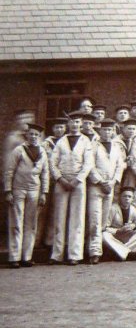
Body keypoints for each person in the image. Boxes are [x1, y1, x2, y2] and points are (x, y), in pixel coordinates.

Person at [49, 110, 94, 265]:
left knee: (77, 218)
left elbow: (88, 163)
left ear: (81, 124)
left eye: (77, 122)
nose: (74, 125)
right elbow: (53, 163)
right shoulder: (61, 141)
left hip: (78, 183)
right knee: (59, 217)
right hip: (62, 182)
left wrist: (77, 179)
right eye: (72, 122)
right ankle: (57, 254)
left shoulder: (86, 141)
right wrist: (60, 178)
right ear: (67, 124)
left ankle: (74, 255)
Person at [4, 123, 49, 267]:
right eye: (31, 134)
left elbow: (45, 174)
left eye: (37, 135)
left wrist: (44, 193)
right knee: (16, 223)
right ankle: (14, 257)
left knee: (31, 224)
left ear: (39, 137)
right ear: (26, 135)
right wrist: (8, 191)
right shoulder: (19, 150)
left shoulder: (42, 151)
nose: (34, 137)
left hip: (34, 191)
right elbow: (9, 171)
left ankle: (26, 257)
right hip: (18, 189)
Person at [85, 119, 125, 264]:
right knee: (95, 219)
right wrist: (101, 181)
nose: (107, 133)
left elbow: (119, 166)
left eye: (110, 130)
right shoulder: (93, 146)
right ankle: (94, 252)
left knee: (104, 220)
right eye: (104, 130)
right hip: (96, 187)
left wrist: (113, 182)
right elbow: (89, 166)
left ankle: (102, 249)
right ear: (100, 131)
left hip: (110, 186)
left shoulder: (116, 147)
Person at [101, 186, 136, 261]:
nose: (127, 198)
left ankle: (119, 253)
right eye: (124, 196)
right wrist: (118, 230)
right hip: (115, 236)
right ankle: (128, 254)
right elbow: (105, 227)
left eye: (129, 197)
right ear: (120, 197)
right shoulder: (113, 208)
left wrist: (134, 225)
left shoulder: (133, 210)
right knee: (104, 235)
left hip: (126, 237)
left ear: (132, 199)